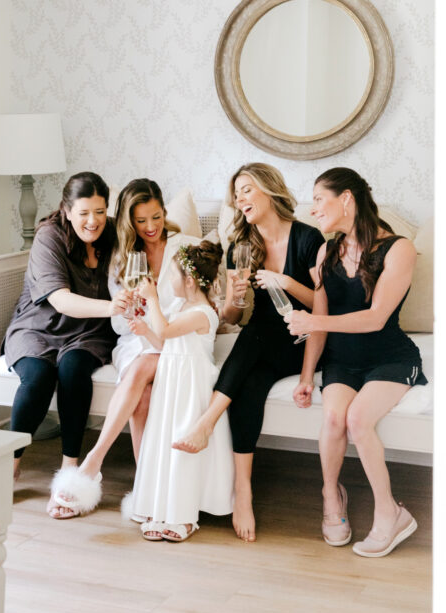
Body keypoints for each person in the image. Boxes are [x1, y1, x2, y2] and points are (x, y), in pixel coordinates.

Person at [173, 163, 324, 542]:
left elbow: (326, 307)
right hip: (262, 339)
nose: (239, 199)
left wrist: (285, 281)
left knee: (256, 338)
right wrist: (235, 301)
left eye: (246, 190)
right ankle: (244, 492)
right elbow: (233, 319)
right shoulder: (241, 245)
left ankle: (207, 421)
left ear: (270, 191)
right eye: (235, 193)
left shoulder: (308, 238)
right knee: (250, 386)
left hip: (305, 337)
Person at [288, 167, 426, 557]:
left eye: (318, 199)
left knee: (357, 419)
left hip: (389, 358)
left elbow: (376, 317)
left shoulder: (398, 248)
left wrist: (314, 319)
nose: (312, 209)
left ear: (346, 198)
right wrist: (304, 376)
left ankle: (391, 512)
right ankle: (332, 496)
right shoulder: (326, 251)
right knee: (332, 419)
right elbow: (319, 324)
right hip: (342, 361)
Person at [50, 178, 193, 517]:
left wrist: (155, 308)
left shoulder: (185, 248)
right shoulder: (122, 256)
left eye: (156, 217)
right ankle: (147, 487)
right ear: (129, 221)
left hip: (177, 337)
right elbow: (118, 327)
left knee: (147, 362)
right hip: (135, 340)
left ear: (163, 211)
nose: (150, 227)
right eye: (141, 221)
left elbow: (195, 307)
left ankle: (93, 461)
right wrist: (127, 307)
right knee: (141, 393)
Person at [3, 172, 130, 519]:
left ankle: (69, 471)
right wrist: (111, 308)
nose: (93, 221)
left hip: (88, 330)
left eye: (101, 212)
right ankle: (12, 464)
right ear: (67, 210)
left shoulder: (114, 232)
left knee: (74, 370)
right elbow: (59, 300)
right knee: (39, 376)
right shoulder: (49, 236)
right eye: (85, 212)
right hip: (40, 326)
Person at [129, 240, 234, 541]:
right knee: (164, 442)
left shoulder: (203, 312)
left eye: (172, 275)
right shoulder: (181, 306)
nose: (166, 281)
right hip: (171, 384)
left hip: (191, 390)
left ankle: (184, 516)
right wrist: (145, 331)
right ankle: (159, 505)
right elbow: (165, 342)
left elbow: (166, 330)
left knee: (183, 450)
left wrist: (152, 300)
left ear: (189, 280)